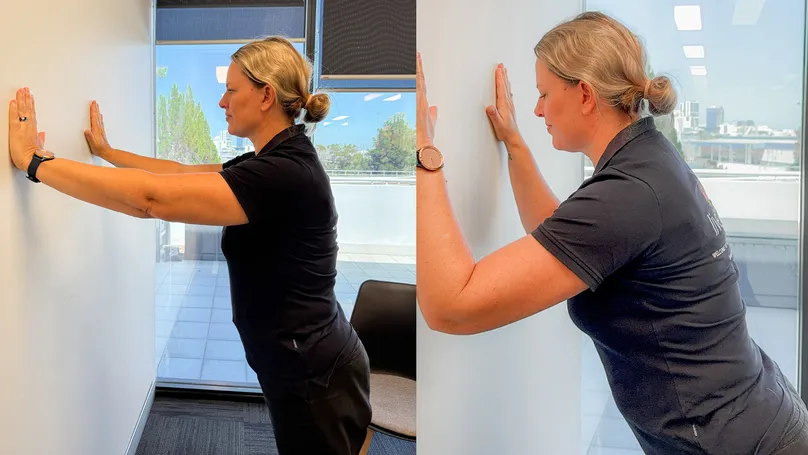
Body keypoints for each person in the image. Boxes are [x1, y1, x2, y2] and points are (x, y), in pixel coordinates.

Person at [415, 11, 808, 455]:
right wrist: (516, 143)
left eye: (544, 93)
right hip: (757, 415)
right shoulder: (649, 160)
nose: (538, 108)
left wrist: (425, 152)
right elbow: (566, 238)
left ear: (584, 94)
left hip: (738, 442)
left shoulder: (629, 193)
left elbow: (450, 306)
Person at [8, 36, 371, 455]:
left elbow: (151, 200)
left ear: (266, 95)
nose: (221, 102)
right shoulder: (273, 160)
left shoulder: (283, 174)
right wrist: (108, 152)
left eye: (232, 90)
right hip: (304, 362)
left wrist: (34, 162)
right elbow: (179, 173)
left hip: (315, 373)